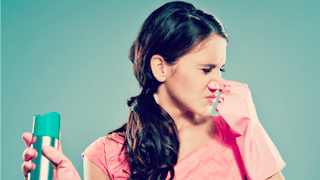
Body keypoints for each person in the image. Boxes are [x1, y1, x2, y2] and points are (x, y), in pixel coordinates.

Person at [21, 1, 286, 180]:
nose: (219, 83)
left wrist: (253, 131)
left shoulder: (238, 136)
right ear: (161, 67)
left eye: (221, 70)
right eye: (206, 69)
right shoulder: (105, 155)